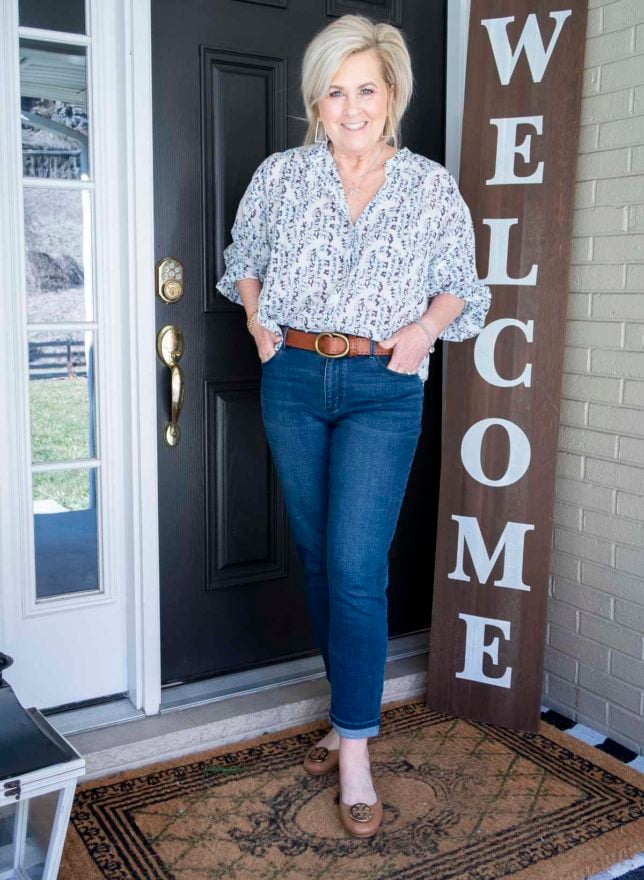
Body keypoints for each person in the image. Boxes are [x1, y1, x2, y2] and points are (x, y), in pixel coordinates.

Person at [216, 13, 491, 838]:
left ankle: (358, 748)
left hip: (383, 383)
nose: (350, 105)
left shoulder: (430, 185)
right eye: (334, 91)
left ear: (392, 93)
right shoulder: (281, 175)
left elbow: (461, 286)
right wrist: (263, 328)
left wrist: (419, 333)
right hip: (294, 377)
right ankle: (345, 717)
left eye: (364, 88)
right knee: (317, 557)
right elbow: (244, 258)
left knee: (353, 562)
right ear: (317, 101)